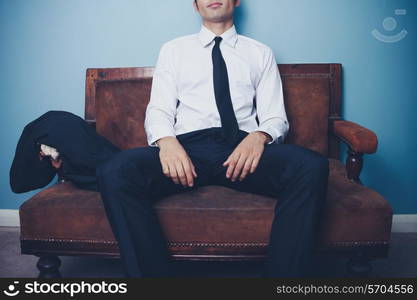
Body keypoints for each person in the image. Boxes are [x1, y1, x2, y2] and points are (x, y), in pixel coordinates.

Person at [96, 0, 329, 278]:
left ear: (236, 1)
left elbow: (275, 117)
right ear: (195, 6)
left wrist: (259, 136)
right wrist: (167, 142)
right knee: (115, 170)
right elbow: (158, 109)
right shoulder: (174, 50)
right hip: (186, 151)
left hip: (241, 152)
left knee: (311, 166)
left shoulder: (260, 53)